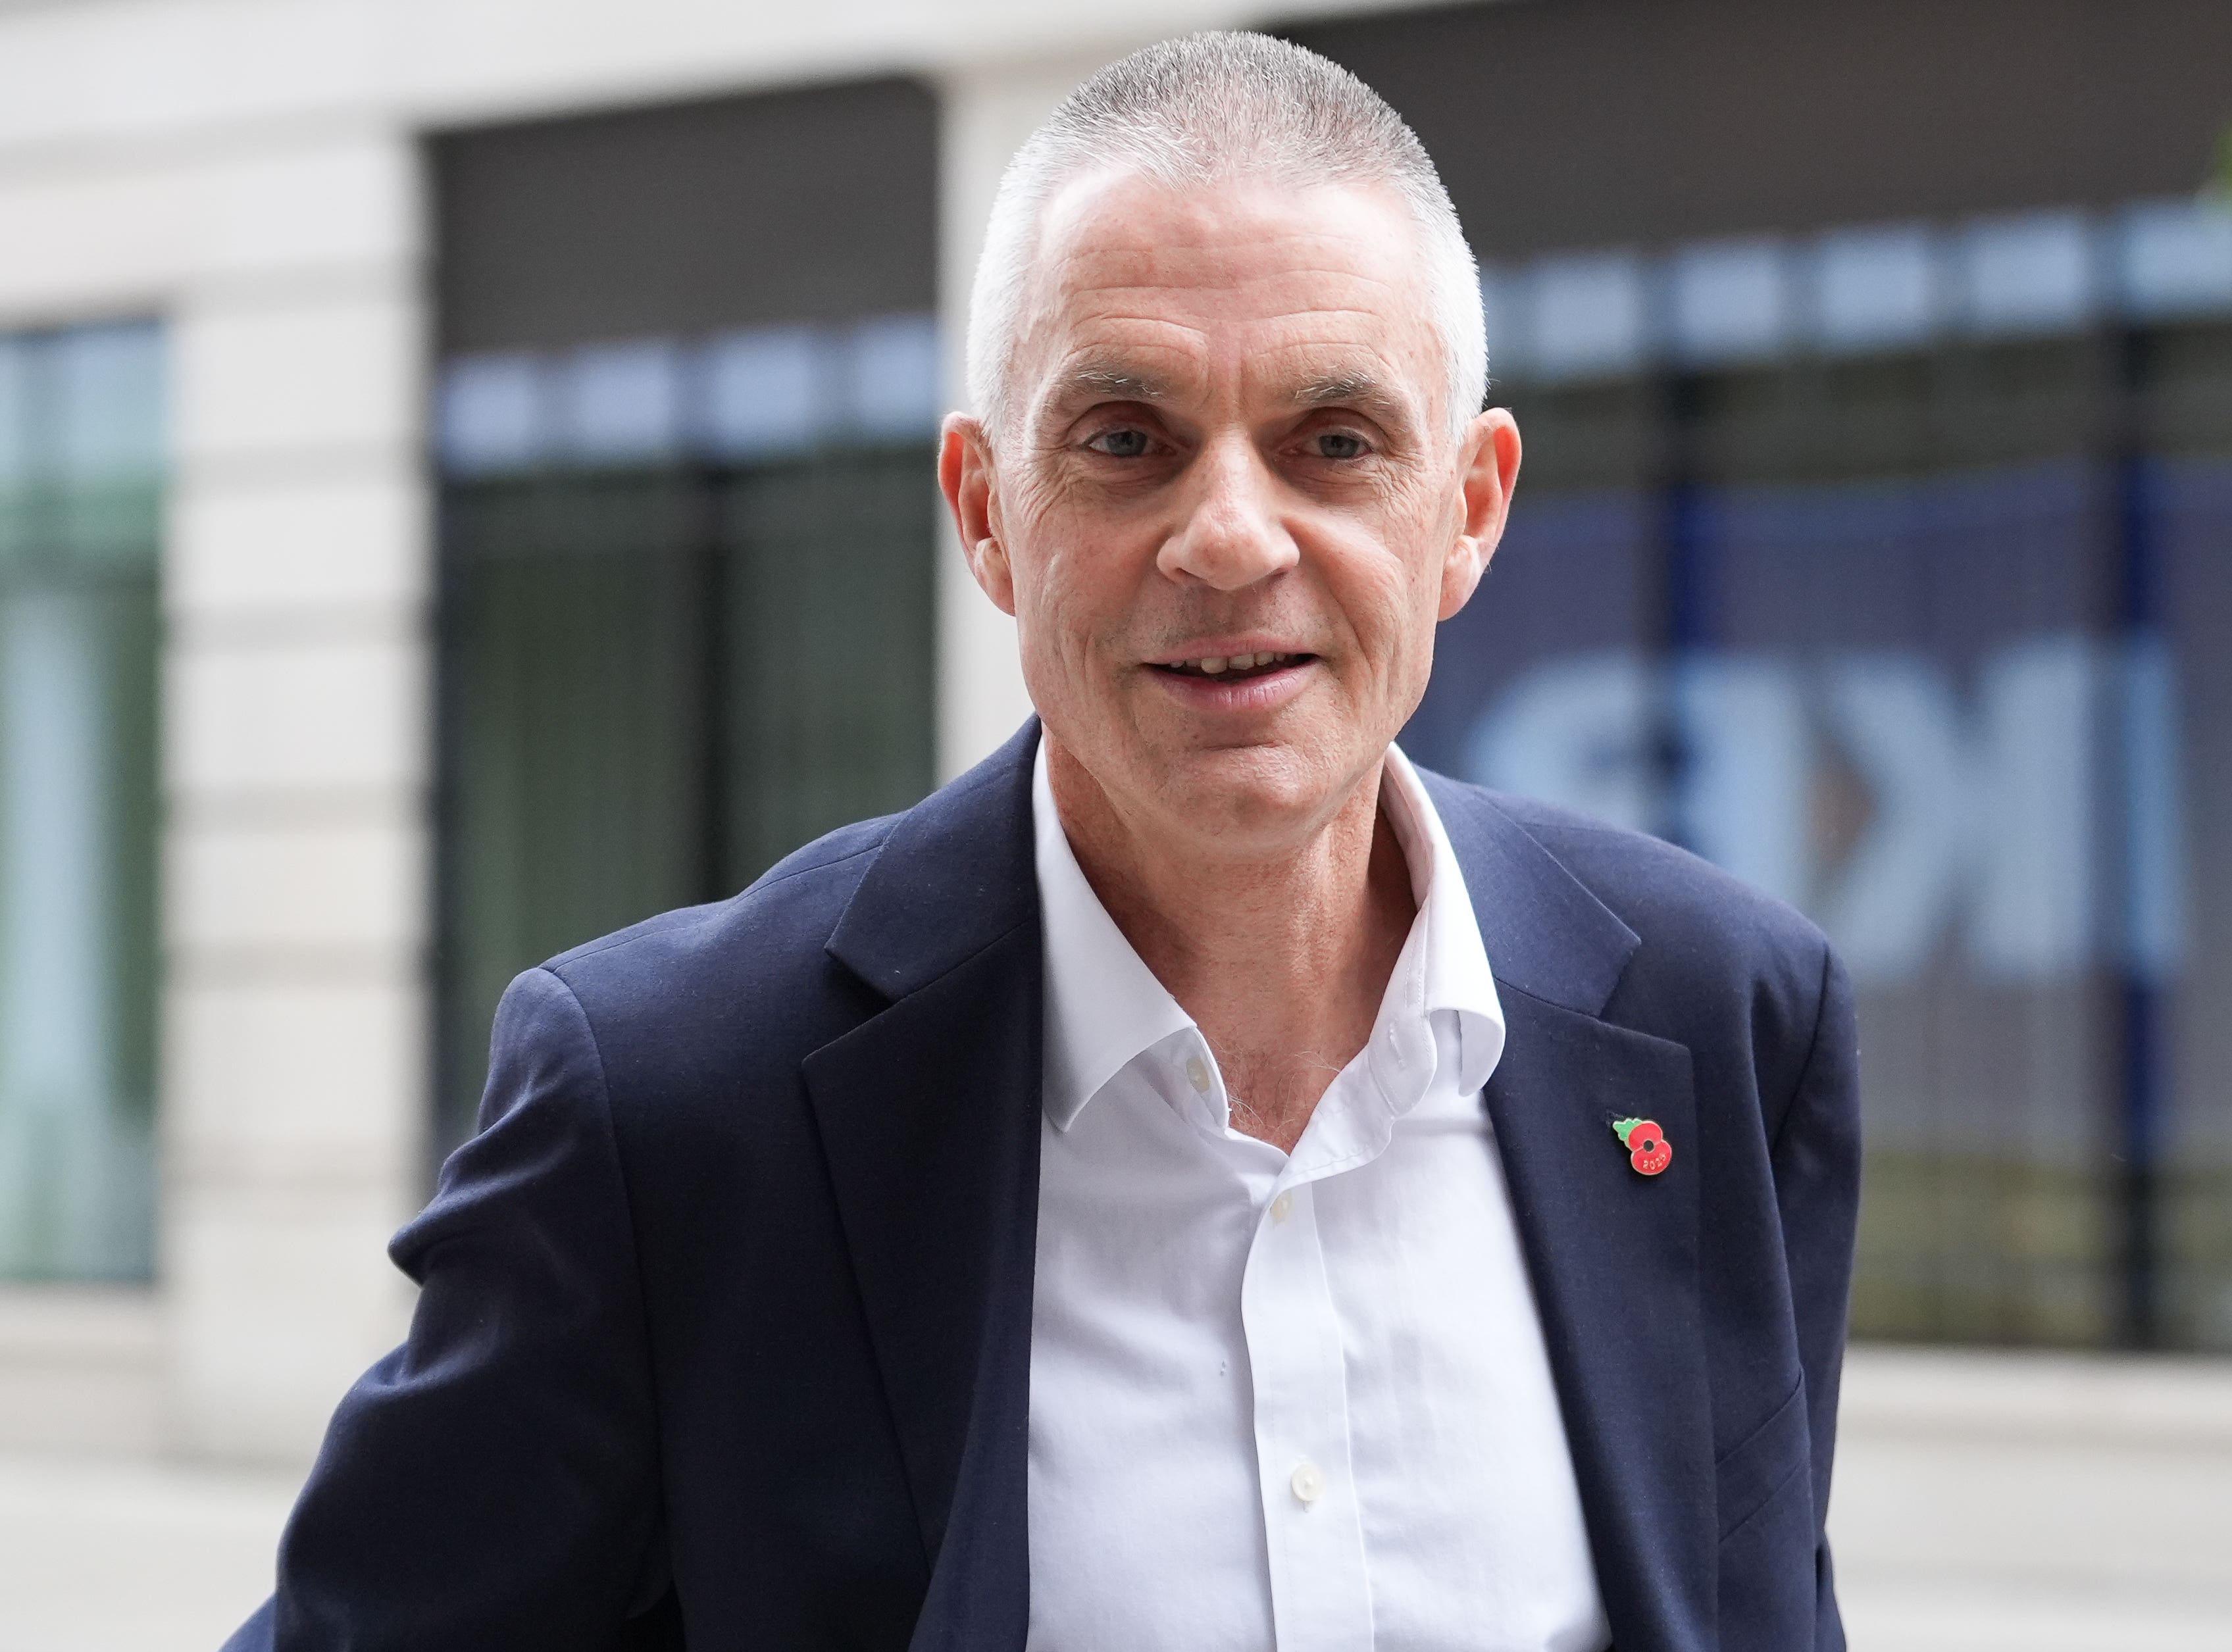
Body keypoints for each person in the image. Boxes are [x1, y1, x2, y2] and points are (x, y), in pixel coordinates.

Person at [226, 32, 1858, 1652]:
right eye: (1127, 439)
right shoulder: (670, 1107)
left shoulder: (1722, 1021)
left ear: (1471, 509)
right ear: (989, 511)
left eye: (1334, 440)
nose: (1228, 537)